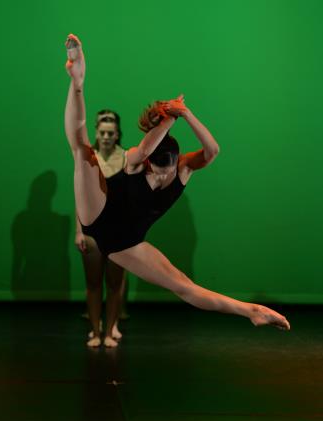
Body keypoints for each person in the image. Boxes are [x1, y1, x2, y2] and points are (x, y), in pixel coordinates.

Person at [64, 34, 290, 333]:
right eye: (156, 171)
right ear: (148, 163)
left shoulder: (183, 168)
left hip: (125, 241)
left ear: (176, 163)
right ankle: (77, 80)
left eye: (166, 172)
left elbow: (212, 151)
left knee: (183, 285)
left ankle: (252, 311)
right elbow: (146, 148)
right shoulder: (136, 159)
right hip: (99, 213)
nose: (161, 176)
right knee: (82, 152)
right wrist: (169, 118)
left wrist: (186, 113)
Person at [75, 109, 128, 348]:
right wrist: (79, 231)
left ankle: (110, 329)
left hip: (118, 230)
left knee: (115, 283)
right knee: (93, 282)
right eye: (102, 133)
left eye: (110, 133)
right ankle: (96, 331)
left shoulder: (127, 157)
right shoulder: (89, 158)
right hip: (93, 229)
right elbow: (80, 197)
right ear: (96, 133)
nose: (106, 137)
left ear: (117, 134)